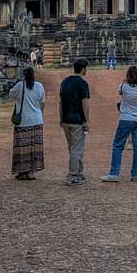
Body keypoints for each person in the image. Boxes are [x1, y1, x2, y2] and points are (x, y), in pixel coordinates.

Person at [101, 65, 137, 183]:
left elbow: (121, 91)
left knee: (118, 145)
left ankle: (114, 173)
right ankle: (135, 174)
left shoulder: (123, 87)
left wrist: (126, 80)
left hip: (126, 118)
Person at [8, 65, 46, 180]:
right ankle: (31, 171)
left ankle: (23, 170)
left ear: (23, 75)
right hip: (37, 120)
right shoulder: (39, 86)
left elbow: (11, 95)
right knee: (34, 147)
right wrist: (38, 113)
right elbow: (42, 104)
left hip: (24, 121)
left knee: (23, 147)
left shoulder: (20, 86)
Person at [59, 56, 91, 186]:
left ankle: (78, 172)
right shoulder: (82, 84)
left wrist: (60, 118)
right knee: (77, 149)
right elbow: (85, 104)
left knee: (73, 148)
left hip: (66, 119)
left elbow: (60, 102)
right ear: (83, 69)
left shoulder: (65, 82)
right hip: (77, 120)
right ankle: (72, 175)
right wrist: (87, 121)